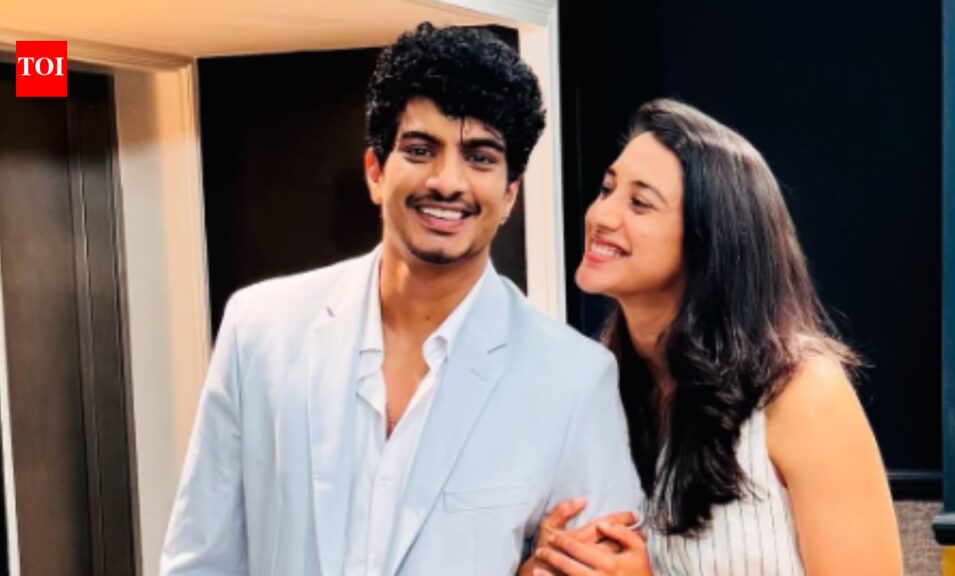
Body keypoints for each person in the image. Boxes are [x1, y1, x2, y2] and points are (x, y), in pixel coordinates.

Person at [161, 23, 642, 576]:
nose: (448, 181)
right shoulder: (260, 330)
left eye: (481, 157)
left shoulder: (572, 379)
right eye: (420, 150)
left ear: (511, 193)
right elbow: (200, 561)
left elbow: (598, 565)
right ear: (375, 172)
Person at [530, 99, 902, 575]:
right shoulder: (596, 389)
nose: (601, 215)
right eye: (607, 189)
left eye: (640, 203)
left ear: (710, 238)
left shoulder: (802, 391)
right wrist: (547, 560)